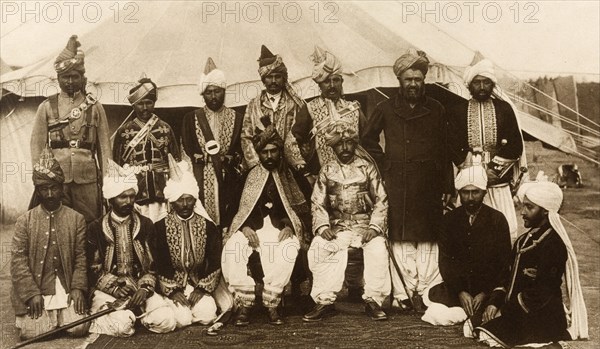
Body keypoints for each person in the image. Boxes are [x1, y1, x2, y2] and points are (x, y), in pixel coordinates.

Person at [362, 48, 453, 313]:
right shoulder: (386, 107)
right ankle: (402, 293)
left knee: (427, 237)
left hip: (429, 181)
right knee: (400, 237)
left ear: (424, 80)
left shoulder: (436, 108)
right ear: (399, 80)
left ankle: (425, 292)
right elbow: (368, 139)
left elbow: (445, 149)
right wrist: (384, 164)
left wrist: (448, 185)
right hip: (397, 181)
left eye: (418, 79)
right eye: (408, 79)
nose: (413, 84)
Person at [473, 180, 588, 347]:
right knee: (473, 325)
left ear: (545, 212)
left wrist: (505, 311)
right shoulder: (523, 240)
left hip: (538, 314)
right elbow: (505, 276)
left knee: (486, 335)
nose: (523, 212)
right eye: (523, 206)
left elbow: (543, 291)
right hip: (514, 311)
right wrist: (494, 303)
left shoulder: (553, 244)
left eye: (529, 207)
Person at [303, 120, 390, 322]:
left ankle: (373, 300)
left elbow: (381, 200)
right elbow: (317, 203)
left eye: (348, 143)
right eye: (339, 144)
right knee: (319, 247)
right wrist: (323, 226)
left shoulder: (367, 168)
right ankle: (325, 300)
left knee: (377, 248)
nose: (344, 148)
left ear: (354, 144)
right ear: (332, 146)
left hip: (364, 226)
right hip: (338, 227)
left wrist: (375, 227)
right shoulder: (327, 170)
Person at [222, 125, 306, 326]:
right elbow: (235, 209)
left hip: (280, 229)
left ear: (279, 151)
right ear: (258, 154)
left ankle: (272, 301)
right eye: (264, 152)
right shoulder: (247, 176)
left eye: (273, 151)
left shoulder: (291, 176)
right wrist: (245, 227)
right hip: (251, 229)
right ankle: (244, 302)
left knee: (288, 248)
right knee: (232, 248)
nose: (269, 156)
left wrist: (289, 226)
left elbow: (302, 209)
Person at [87, 160, 176, 336]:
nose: (128, 201)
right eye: (122, 197)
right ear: (111, 199)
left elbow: (152, 265)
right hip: (109, 292)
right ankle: (115, 317)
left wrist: (144, 288)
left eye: (131, 196)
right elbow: (93, 268)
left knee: (167, 321)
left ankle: (135, 315)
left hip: (139, 289)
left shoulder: (145, 225)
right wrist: (115, 288)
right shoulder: (95, 228)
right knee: (122, 326)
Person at [30, 35, 111, 223]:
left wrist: (108, 182)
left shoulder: (95, 106)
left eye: (75, 76)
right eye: (65, 77)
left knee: (90, 222)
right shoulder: (47, 107)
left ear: (83, 77)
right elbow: (37, 147)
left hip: (88, 180)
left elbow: (105, 148)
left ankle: (88, 254)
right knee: (59, 223)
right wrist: (42, 179)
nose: (70, 81)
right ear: (58, 79)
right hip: (58, 180)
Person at [11, 148, 90, 340]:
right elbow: (18, 262)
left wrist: (78, 287)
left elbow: (81, 258)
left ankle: (60, 317)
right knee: (34, 332)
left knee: (79, 329)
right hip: (38, 289)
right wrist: (31, 294)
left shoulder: (76, 219)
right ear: (37, 191)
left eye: (54, 187)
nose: (49, 194)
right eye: (44, 189)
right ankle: (53, 319)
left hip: (66, 288)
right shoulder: (25, 221)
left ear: (62, 187)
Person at [422, 161, 511, 326]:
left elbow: (503, 263)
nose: (470, 198)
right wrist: (460, 291)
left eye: (475, 192)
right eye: (465, 192)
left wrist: (484, 293)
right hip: (458, 288)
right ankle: (468, 314)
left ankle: (475, 315)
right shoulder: (449, 220)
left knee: (499, 313)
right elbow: (446, 261)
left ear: (484, 192)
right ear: (459, 193)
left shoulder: (497, 220)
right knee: (436, 315)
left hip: (489, 288)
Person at [447, 59, 524, 243]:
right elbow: (451, 144)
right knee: (467, 234)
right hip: (470, 182)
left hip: (497, 181)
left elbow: (515, 145)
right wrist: (474, 173)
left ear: (492, 84)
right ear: (470, 85)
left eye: (486, 82)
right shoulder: (458, 110)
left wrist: (492, 171)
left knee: (505, 232)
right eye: (477, 82)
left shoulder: (504, 109)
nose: (482, 86)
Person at [154, 154, 233, 328]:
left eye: (189, 199)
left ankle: (193, 308)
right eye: (180, 200)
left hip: (198, 282)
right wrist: (173, 291)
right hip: (173, 284)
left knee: (207, 315)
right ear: (172, 202)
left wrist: (202, 288)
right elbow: (160, 263)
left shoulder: (208, 226)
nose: (185, 204)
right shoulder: (160, 227)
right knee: (182, 319)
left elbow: (215, 261)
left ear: (195, 199)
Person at [181, 58, 244, 229]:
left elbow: (242, 149)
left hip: (228, 178)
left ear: (224, 91)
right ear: (202, 94)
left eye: (217, 91)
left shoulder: (237, 118)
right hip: (200, 178)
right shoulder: (190, 118)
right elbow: (185, 151)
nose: (214, 96)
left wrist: (232, 159)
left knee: (228, 221)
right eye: (209, 92)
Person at [113, 77, 180, 223]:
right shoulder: (123, 131)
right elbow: (117, 165)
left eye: (148, 103)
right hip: (135, 188)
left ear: (154, 103)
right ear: (134, 105)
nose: (144, 108)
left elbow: (176, 161)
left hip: (162, 188)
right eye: (140, 103)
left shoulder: (165, 128)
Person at [292, 46, 367, 171]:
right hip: (320, 175)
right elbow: (293, 140)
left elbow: (366, 140)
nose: (332, 85)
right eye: (327, 81)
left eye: (336, 80)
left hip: (354, 174)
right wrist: (304, 171)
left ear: (342, 82)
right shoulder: (309, 109)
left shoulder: (354, 109)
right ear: (319, 84)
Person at [241, 45, 306, 174]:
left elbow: (303, 137)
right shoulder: (254, 105)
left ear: (283, 78)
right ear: (263, 79)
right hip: (261, 167)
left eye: (277, 76)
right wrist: (254, 163)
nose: (273, 81)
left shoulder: (296, 104)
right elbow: (246, 137)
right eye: (269, 77)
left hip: (290, 168)